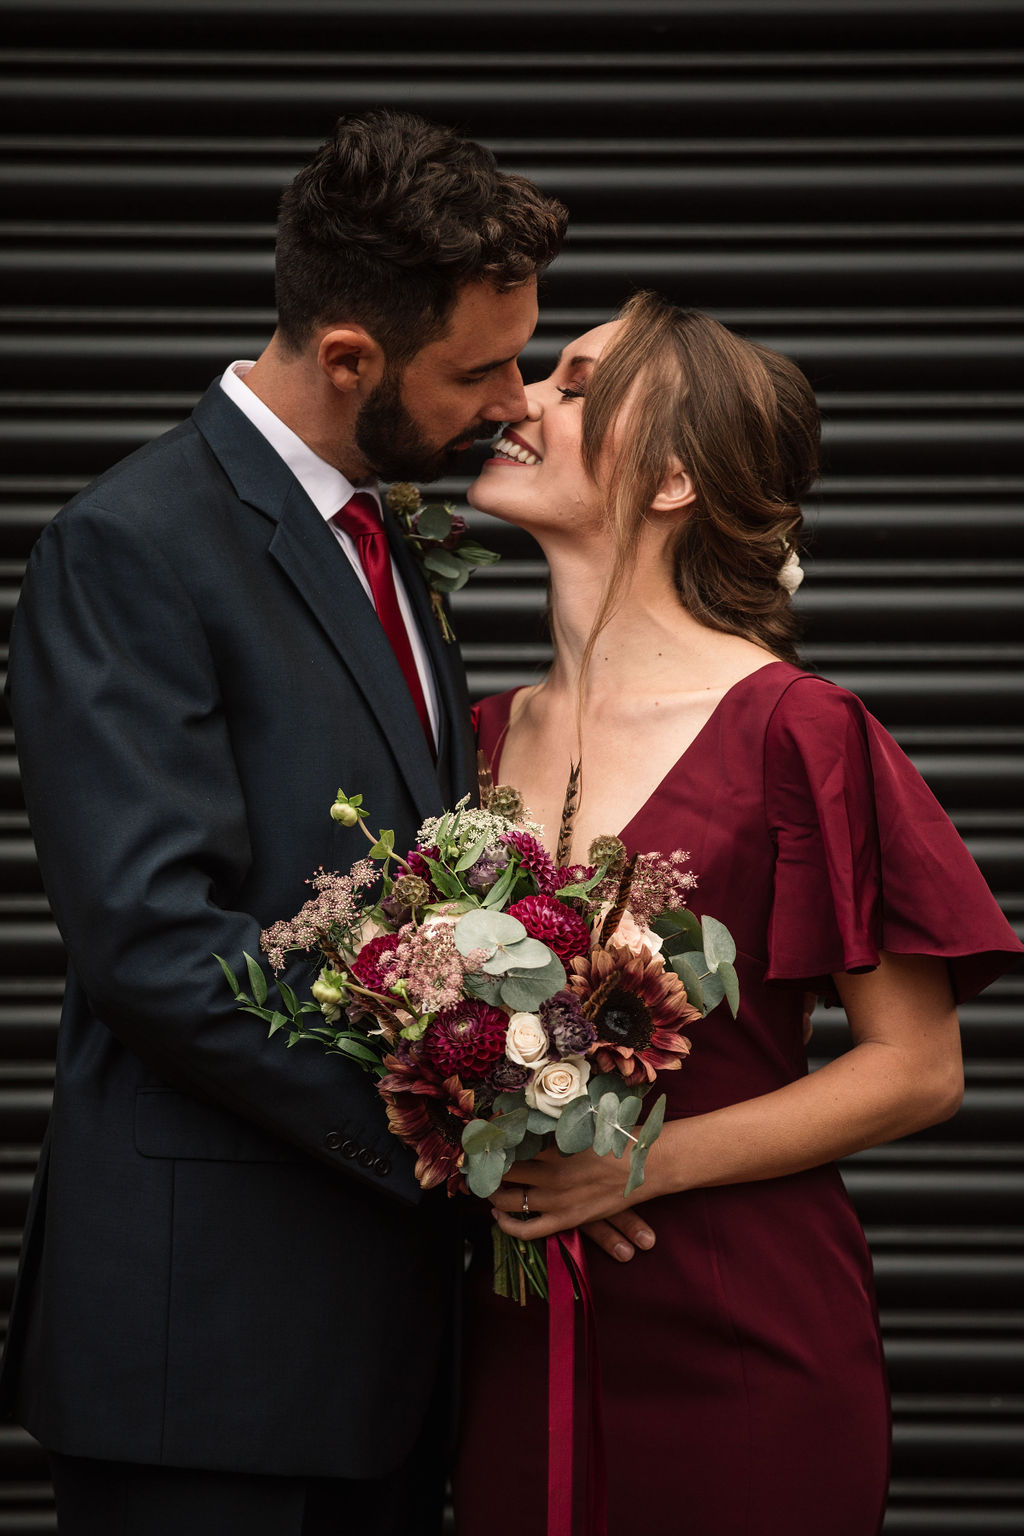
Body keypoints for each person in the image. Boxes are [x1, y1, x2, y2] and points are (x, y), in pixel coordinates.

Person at [0, 109, 571, 1536]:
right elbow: (151, 941)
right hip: (210, 1351)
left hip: (378, 1355)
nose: (514, 401)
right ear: (349, 360)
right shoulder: (131, 544)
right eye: (481, 368)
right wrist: (450, 1135)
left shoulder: (381, 532)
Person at [454, 291, 1024, 1536]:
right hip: (504, 1334)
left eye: (573, 385)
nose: (518, 398)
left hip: (738, 1328)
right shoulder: (473, 735)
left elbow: (918, 1072)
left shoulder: (799, 730)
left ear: (668, 479)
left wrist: (635, 1165)